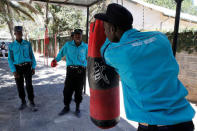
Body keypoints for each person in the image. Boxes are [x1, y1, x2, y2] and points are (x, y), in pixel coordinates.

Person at [94, 3, 195, 131]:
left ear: (113, 29)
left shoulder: (116, 53)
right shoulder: (161, 38)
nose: (104, 32)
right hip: (185, 121)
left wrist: (106, 36)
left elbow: (104, 50)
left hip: (156, 125)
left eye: (105, 29)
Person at [51, 29, 88, 117]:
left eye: (79, 35)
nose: (77, 36)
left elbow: (89, 56)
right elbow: (61, 53)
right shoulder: (68, 45)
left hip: (81, 71)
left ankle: (77, 108)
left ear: (81, 36)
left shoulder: (85, 46)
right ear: (73, 36)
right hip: (70, 71)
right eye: (76, 35)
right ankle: (66, 107)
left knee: (79, 91)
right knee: (67, 90)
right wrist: (55, 60)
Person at [8, 26, 37, 111]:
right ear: (15, 34)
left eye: (20, 32)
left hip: (27, 66)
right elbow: (10, 59)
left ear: (22, 33)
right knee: (19, 86)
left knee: (29, 85)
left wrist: (33, 67)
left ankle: (31, 101)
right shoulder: (11, 46)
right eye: (17, 32)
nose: (19, 34)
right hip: (17, 68)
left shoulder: (27, 44)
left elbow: (32, 56)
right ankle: (23, 101)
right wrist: (14, 71)